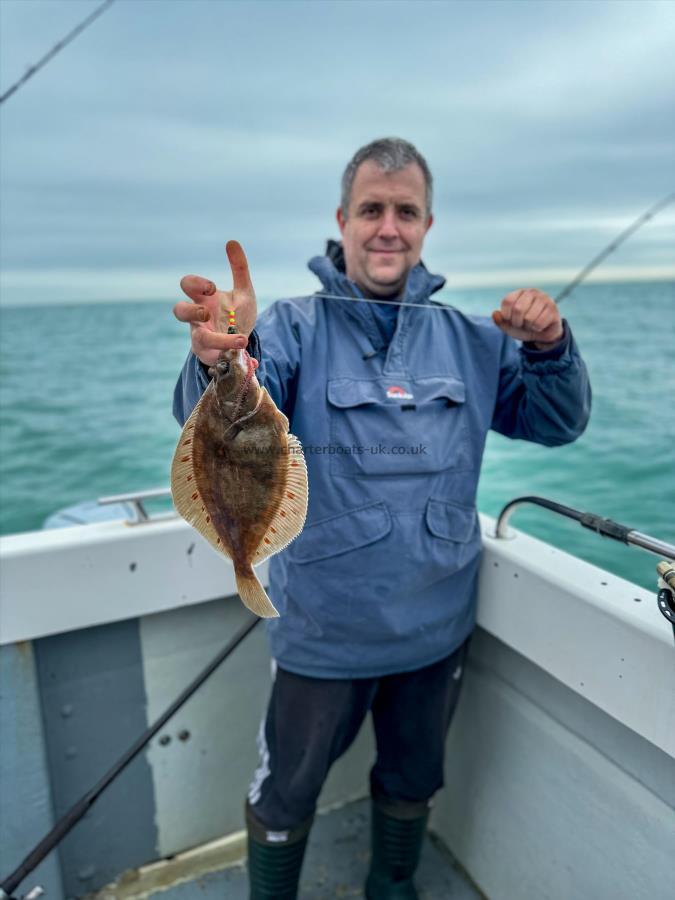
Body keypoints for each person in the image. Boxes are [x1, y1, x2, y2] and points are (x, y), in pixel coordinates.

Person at [173, 138, 591, 900]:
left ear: (427, 223)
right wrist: (219, 357)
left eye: (404, 211)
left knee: (412, 779)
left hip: (436, 626)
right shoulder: (293, 330)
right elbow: (212, 417)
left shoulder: (472, 338)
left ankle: (390, 889)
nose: (387, 227)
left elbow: (554, 422)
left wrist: (549, 347)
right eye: (371, 210)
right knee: (287, 794)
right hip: (321, 629)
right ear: (343, 219)